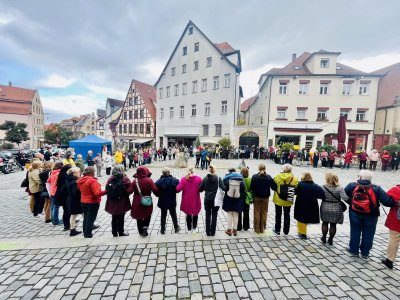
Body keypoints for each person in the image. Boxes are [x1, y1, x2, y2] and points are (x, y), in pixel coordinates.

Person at [344, 170, 395, 259]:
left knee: (355, 231)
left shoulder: (352, 185)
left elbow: (344, 195)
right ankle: (365, 253)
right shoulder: (376, 188)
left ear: (360, 177)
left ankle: (353, 250)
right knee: (369, 233)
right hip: (371, 215)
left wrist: (351, 203)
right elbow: (388, 202)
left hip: (354, 213)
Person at [77, 166, 106, 238]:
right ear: (92, 172)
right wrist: (106, 191)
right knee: (91, 218)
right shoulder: (92, 181)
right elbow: (97, 193)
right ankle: (88, 234)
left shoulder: (81, 179)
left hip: (83, 200)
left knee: (86, 217)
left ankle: (85, 231)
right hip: (92, 202)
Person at [320, 173, 349, 245]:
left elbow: (319, 196)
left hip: (325, 207)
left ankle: (324, 237)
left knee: (325, 223)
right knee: (333, 225)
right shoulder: (340, 188)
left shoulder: (322, 187)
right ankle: (330, 239)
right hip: (337, 208)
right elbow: (345, 198)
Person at [294, 172, 325, 239]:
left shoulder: (299, 184)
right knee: (306, 218)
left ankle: (302, 233)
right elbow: (321, 195)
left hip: (301, 204)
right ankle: (302, 232)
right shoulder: (316, 186)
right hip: (311, 204)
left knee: (301, 218)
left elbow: (294, 192)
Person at [129, 166, 158, 236]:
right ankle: (145, 228)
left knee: (139, 217)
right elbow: (155, 190)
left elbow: (129, 191)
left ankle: (140, 231)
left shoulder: (134, 181)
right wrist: (158, 194)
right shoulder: (149, 180)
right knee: (147, 214)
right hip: (147, 201)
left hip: (137, 202)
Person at [105, 165, 131, 237]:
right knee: (121, 216)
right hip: (122, 200)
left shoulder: (110, 178)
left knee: (114, 216)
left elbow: (107, 188)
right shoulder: (125, 178)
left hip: (112, 201)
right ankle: (121, 232)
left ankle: (114, 232)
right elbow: (129, 189)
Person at [199, 165, 226, 236]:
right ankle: (213, 232)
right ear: (215, 170)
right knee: (214, 215)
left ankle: (208, 232)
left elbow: (200, 189)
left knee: (207, 215)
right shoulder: (218, 178)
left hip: (207, 199)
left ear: (209, 170)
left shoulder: (205, 178)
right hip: (215, 200)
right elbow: (224, 188)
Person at [272, 164, 299, 235]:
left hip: (278, 198)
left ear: (283, 170)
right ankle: (286, 231)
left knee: (278, 214)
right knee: (287, 215)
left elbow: (273, 187)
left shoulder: (277, 177)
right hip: (288, 199)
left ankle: (277, 229)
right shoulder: (294, 178)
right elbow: (296, 188)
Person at [250, 164, 276, 234]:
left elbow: (251, 187)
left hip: (257, 197)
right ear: (265, 168)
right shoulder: (269, 177)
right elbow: (274, 187)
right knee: (264, 213)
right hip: (265, 198)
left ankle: (257, 229)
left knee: (257, 212)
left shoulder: (254, 176)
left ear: (258, 168)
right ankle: (262, 229)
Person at [155, 167, 180, 234]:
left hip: (163, 201)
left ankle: (162, 230)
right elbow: (178, 188)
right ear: (169, 172)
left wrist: (158, 194)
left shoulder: (159, 181)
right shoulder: (174, 180)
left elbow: (155, 188)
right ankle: (176, 227)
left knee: (163, 215)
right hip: (171, 201)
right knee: (173, 215)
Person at [176, 167, 202, 233]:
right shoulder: (198, 179)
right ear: (194, 171)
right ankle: (194, 228)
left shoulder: (184, 179)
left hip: (187, 200)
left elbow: (178, 189)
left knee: (188, 214)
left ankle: (189, 228)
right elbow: (201, 189)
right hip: (195, 199)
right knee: (195, 214)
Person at [382, 184, 400, 269]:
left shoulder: (396, 190)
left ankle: (390, 260)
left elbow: (386, 200)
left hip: (397, 220)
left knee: (394, 239)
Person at [222, 168, 245, 236]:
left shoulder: (227, 180)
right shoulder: (241, 180)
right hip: (238, 199)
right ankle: (235, 230)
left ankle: (229, 230)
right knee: (236, 214)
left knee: (229, 214)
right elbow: (244, 189)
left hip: (229, 199)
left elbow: (224, 188)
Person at [65, 167, 83, 236]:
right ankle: (88, 227)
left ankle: (72, 230)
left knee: (73, 215)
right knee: (83, 214)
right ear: (74, 173)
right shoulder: (75, 181)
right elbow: (75, 193)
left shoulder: (68, 179)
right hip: (75, 201)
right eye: (78, 172)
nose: (80, 173)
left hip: (71, 199)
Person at [55, 165, 72, 231]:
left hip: (61, 195)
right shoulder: (65, 176)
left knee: (66, 211)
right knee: (67, 211)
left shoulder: (61, 175)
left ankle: (67, 225)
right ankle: (67, 225)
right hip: (65, 196)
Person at [238, 167, 252, 232]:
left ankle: (239, 226)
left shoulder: (240, 179)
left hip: (240, 197)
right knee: (246, 212)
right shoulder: (250, 179)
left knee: (239, 212)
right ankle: (246, 226)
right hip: (247, 197)